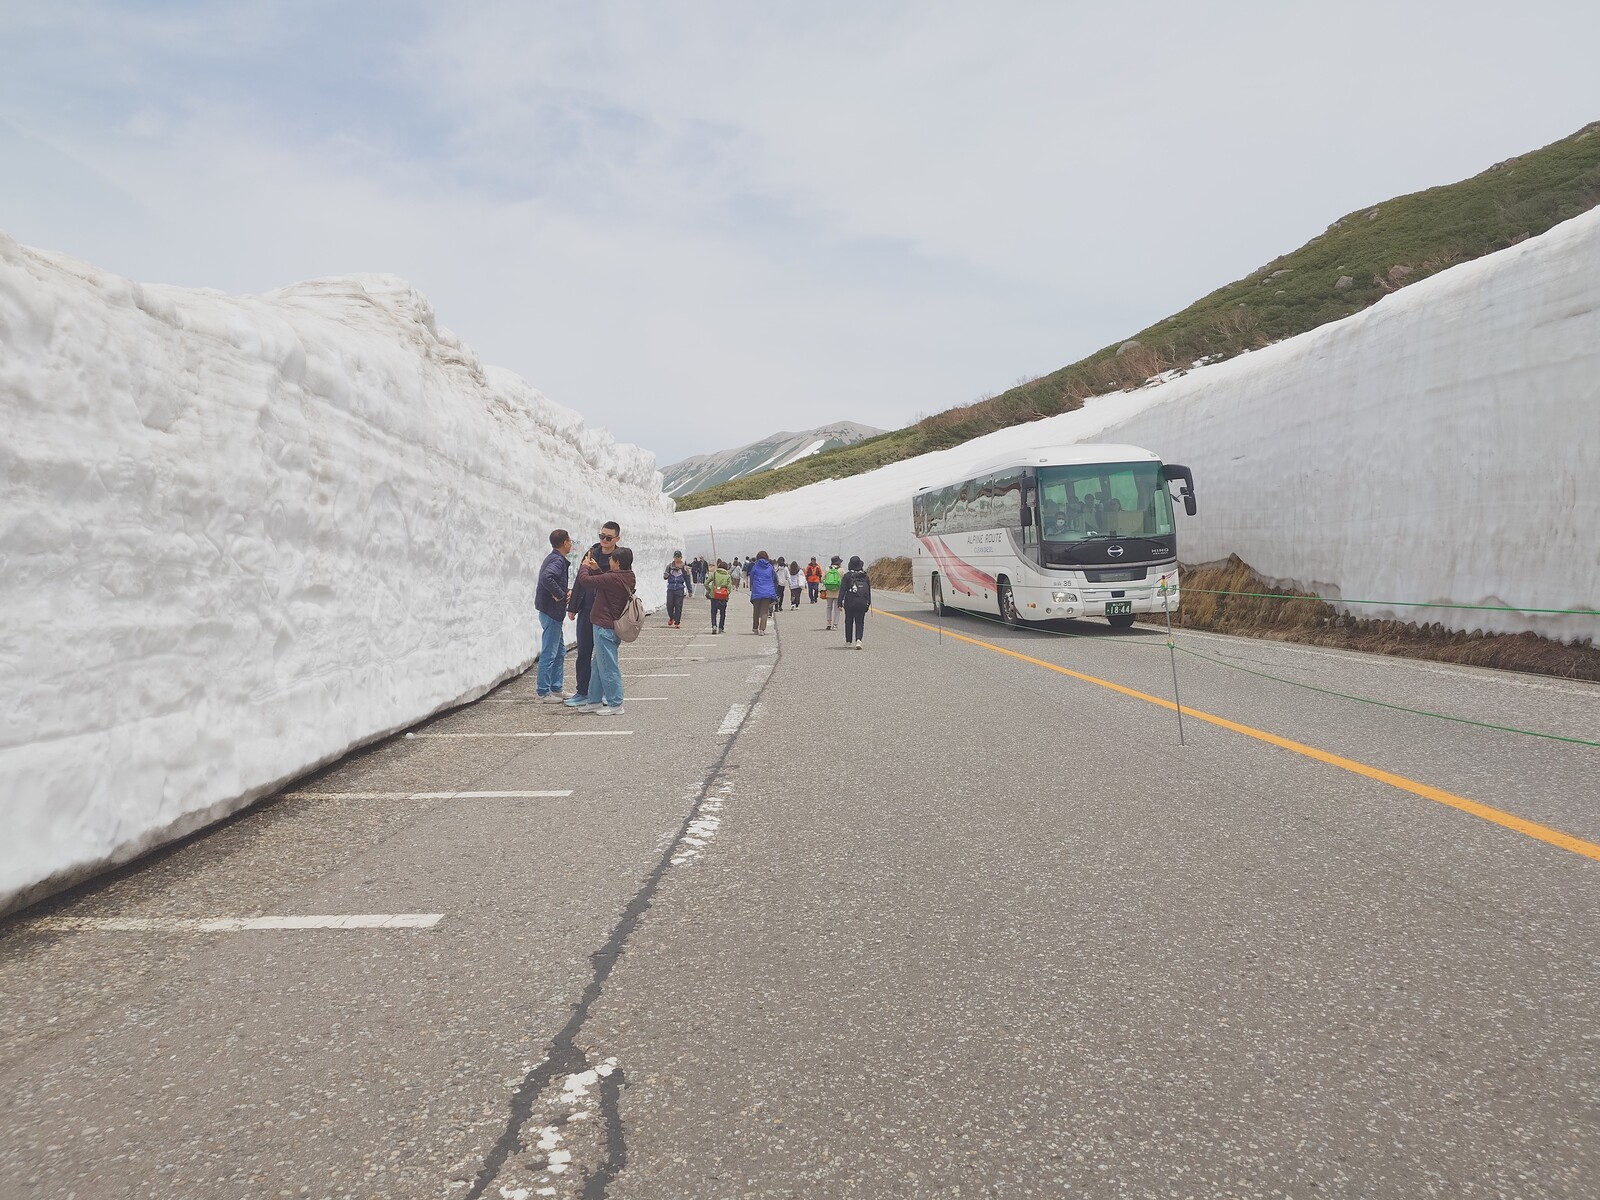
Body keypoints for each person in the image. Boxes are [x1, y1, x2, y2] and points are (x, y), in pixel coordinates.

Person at [571, 545, 636, 714]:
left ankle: (616, 703)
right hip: (609, 627)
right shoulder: (626, 576)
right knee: (599, 665)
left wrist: (584, 567)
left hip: (604, 627)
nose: (609, 561)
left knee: (607, 666)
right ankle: (594, 700)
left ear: (617, 563)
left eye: (611, 559)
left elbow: (586, 581)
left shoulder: (614, 578)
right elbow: (605, 582)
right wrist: (597, 569)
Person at [564, 520, 619, 708]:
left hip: (606, 613)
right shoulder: (592, 552)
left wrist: (598, 569)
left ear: (617, 538)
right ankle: (582, 692)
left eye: (608, 537)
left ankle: (601, 693)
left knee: (603, 656)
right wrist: (572, 607)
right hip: (587, 609)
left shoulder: (619, 557)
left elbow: (616, 581)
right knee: (584, 652)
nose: (604, 540)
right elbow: (580, 579)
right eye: (601, 536)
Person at [535, 528, 573, 701]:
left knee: (559, 652)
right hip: (551, 612)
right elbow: (547, 577)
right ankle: (544, 692)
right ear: (564, 542)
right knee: (550, 652)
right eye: (570, 541)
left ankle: (556, 687)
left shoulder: (554, 558)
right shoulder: (557, 561)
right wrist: (560, 594)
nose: (571, 543)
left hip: (552, 613)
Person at [840, 555, 873, 650]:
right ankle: (858, 640)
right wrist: (868, 603)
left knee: (849, 621)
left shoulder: (847, 576)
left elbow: (842, 590)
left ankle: (848, 641)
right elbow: (868, 591)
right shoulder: (865, 576)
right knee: (860, 621)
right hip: (862, 602)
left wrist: (839, 602)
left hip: (850, 602)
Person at [747, 550, 778, 634]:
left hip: (757, 590)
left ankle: (755, 627)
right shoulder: (770, 567)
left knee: (756, 610)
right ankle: (762, 629)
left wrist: (752, 587)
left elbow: (752, 577)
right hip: (768, 591)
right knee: (764, 610)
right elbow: (773, 578)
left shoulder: (755, 566)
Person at [663, 550, 691, 628]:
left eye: (678, 557)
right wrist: (666, 575)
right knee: (669, 604)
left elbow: (687, 579)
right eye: (675, 557)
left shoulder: (684, 568)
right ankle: (671, 617)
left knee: (678, 605)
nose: (677, 559)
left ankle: (677, 622)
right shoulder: (669, 566)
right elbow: (665, 576)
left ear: (681, 557)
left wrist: (690, 590)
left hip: (679, 588)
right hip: (671, 588)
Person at [705, 558, 732, 634]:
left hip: (714, 596)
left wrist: (710, 591)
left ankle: (714, 626)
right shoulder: (727, 576)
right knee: (722, 613)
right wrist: (726, 593)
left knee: (713, 612)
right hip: (723, 597)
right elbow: (729, 588)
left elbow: (706, 583)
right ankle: (721, 628)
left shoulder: (714, 574)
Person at [821, 555, 844, 630]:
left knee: (829, 607)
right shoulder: (841, 570)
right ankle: (835, 625)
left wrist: (827, 583)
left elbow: (822, 579)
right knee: (837, 609)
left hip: (829, 592)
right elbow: (845, 580)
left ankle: (828, 624)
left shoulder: (827, 569)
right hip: (838, 592)